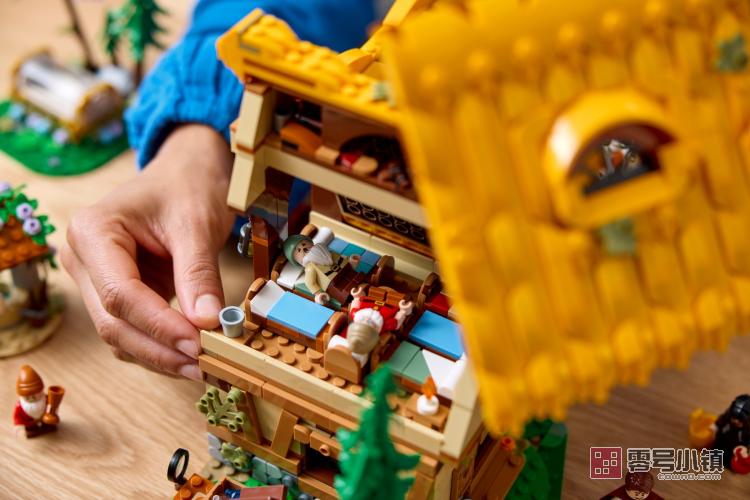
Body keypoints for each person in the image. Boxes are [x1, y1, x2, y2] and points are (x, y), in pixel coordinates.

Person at [61, 1, 377, 380]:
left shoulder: (316, 258)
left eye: (304, 249)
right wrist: (200, 143)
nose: (306, 251)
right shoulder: (305, 255)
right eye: (302, 249)